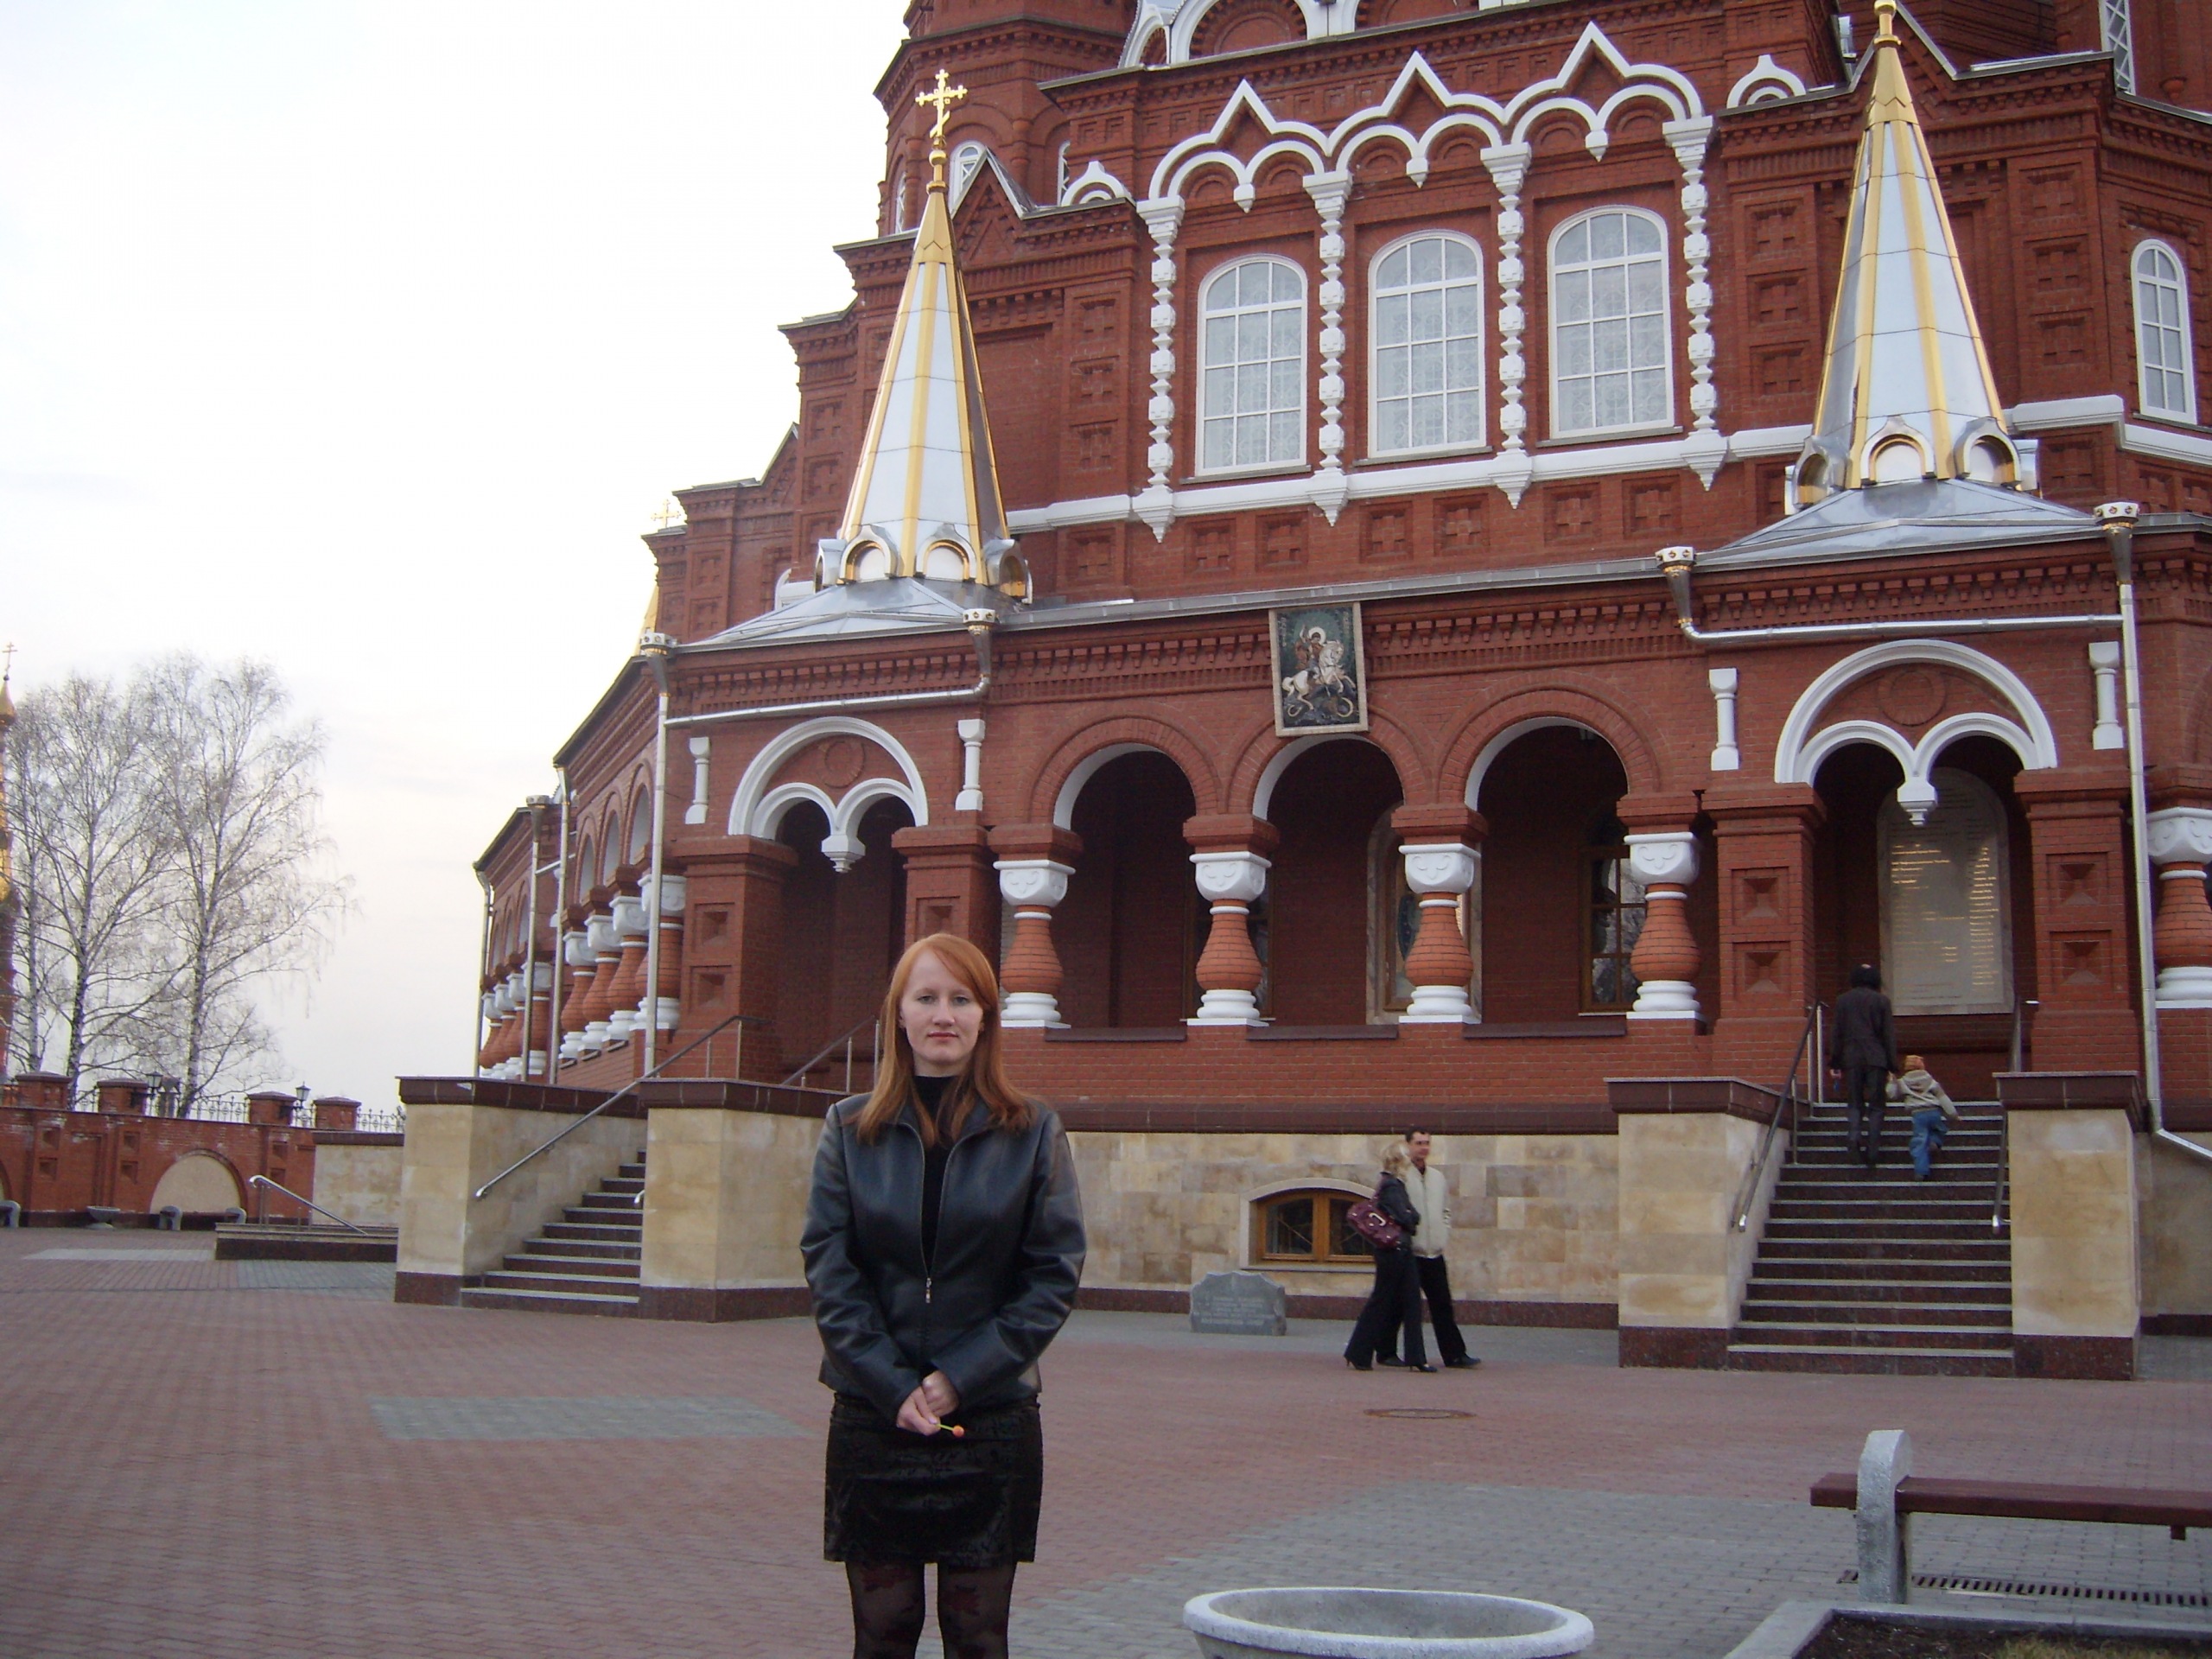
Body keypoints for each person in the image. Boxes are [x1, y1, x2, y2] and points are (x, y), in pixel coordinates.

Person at [801, 934, 1086, 1659]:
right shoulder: (849, 1129)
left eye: (962, 1000)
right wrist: (891, 1383)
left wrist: (960, 1377)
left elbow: (1053, 1273)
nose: (943, 1015)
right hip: (875, 1415)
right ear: (898, 1015)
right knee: (882, 1632)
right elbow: (831, 1267)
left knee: (978, 1636)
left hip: (988, 1419)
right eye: (926, 998)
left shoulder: (1032, 1130)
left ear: (985, 1018)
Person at [1382, 1130, 1479, 1370]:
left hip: (1434, 1251)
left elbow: (1445, 1210)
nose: (1423, 1148)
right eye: (1418, 1143)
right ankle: (1386, 1351)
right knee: (1399, 1304)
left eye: (1427, 1143)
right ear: (1408, 1145)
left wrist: (1442, 1234)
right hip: (1410, 1252)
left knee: (1442, 1304)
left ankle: (1455, 1354)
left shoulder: (1437, 1177)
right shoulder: (1401, 1177)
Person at [1343, 1140, 1431, 1373]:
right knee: (1389, 1301)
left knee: (1403, 1301)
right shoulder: (1392, 1185)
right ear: (1400, 1160)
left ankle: (1363, 1353)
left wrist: (1411, 1216)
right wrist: (1412, 1217)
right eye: (1407, 1156)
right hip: (1396, 1250)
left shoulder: (1391, 1183)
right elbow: (1408, 1218)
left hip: (1395, 1250)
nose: (1411, 1160)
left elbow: (1409, 1215)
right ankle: (1362, 1352)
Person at [1827, 963, 1900, 1170]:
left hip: (1851, 1058)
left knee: (1854, 1102)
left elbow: (1837, 1033)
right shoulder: (1882, 1001)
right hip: (1877, 1058)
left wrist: (1835, 1062)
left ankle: (1854, 1137)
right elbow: (1888, 1035)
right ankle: (1873, 1149)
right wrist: (1892, 1065)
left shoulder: (1843, 1001)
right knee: (1877, 1105)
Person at [1890, 1053, 1958, 1181]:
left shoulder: (1902, 1082)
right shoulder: (1930, 1081)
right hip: (1934, 1111)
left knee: (1919, 1141)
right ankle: (1934, 1142)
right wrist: (1953, 1114)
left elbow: (1891, 1095)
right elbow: (1943, 1098)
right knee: (1940, 1129)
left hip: (1918, 1114)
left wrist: (1891, 1082)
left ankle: (1921, 1171)